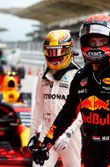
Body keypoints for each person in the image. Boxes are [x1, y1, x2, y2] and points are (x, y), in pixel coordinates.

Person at [28, 14, 110, 167]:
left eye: (101, 41)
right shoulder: (80, 76)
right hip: (88, 149)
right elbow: (66, 115)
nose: (96, 45)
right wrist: (46, 144)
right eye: (92, 41)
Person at [29, 29, 82, 167]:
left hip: (70, 136)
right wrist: (31, 136)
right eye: (50, 52)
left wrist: (68, 134)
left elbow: (82, 110)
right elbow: (39, 106)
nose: (54, 56)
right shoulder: (42, 74)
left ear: (68, 51)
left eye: (57, 52)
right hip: (46, 133)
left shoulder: (78, 75)